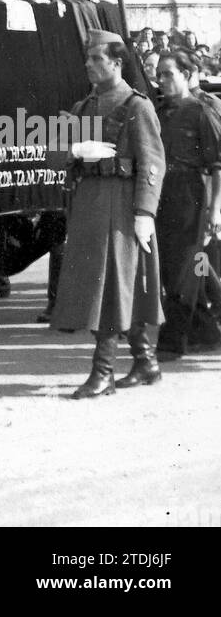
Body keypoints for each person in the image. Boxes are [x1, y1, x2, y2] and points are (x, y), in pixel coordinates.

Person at [51, 30, 165, 396]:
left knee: (112, 286)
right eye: (87, 59)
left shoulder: (137, 106)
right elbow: (52, 153)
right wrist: (75, 150)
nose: (88, 64)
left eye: (96, 59)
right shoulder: (83, 108)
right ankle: (146, 362)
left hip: (121, 205)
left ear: (116, 63)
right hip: (88, 206)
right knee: (114, 285)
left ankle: (104, 372)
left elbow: (152, 163)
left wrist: (145, 212)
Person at [153, 50, 221, 360]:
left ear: (187, 74)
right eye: (160, 74)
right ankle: (205, 332)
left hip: (191, 193)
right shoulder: (159, 112)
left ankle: (172, 341)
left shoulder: (201, 111)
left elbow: (218, 166)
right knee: (172, 268)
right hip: (163, 193)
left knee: (186, 268)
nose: (162, 80)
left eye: (169, 73)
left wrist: (215, 210)